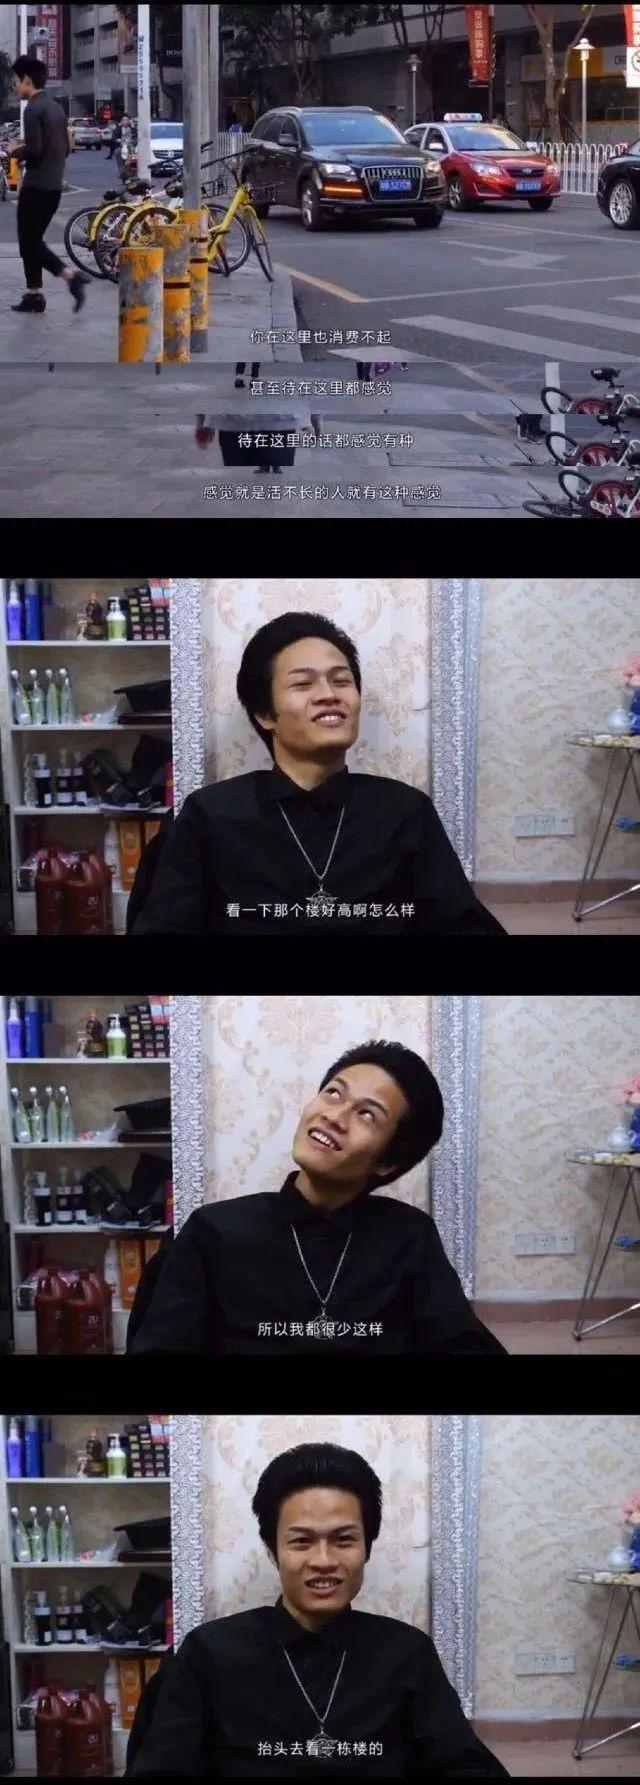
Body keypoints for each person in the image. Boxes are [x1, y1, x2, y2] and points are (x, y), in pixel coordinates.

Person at [126, 1443, 509, 1777]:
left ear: (367, 1547)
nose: (323, 1561)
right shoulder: (208, 1653)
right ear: (273, 1550)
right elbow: (161, 1766)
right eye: (301, 1542)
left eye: (343, 1540)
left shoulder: (408, 1652)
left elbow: (462, 1764)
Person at [128, 611, 506, 935]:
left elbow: (460, 925)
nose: (329, 694)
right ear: (265, 714)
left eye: (341, 680)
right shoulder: (209, 815)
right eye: (303, 683)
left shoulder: (405, 810)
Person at [129, 1039, 507, 1355]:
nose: (334, 1117)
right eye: (333, 1093)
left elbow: (463, 1344)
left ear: (387, 1162)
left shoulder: (410, 1236)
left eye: (367, 1114)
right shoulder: (214, 1230)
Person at [7, 56, 89, 314]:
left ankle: (70, 277)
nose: (14, 85)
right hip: (53, 187)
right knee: (32, 241)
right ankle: (34, 295)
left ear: (27, 80)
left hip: (36, 187)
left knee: (28, 244)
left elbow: (35, 152)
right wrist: (27, 148)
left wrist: (14, 151)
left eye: (16, 80)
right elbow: (63, 148)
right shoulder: (56, 107)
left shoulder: (32, 109)